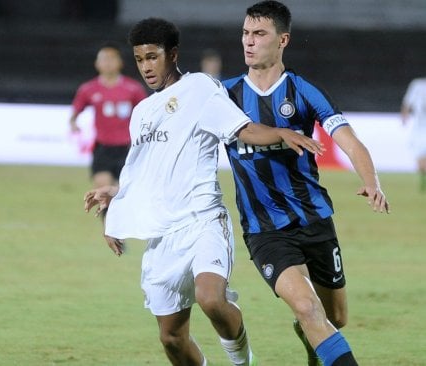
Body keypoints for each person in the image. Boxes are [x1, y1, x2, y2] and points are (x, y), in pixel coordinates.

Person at [84, 17, 324, 366]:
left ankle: (243, 362)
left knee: (211, 298)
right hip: (163, 235)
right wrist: (117, 199)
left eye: (153, 57)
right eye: (139, 59)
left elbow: (241, 128)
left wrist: (279, 133)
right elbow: (147, 172)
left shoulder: (200, 89)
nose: (146, 67)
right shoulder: (142, 113)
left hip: (202, 221)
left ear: (173, 54)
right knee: (171, 337)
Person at [222, 1, 390, 365]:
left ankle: (313, 339)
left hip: (314, 220)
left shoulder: (303, 92)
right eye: (246, 33)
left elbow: (349, 140)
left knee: (335, 318)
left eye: (259, 34)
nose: (248, 42)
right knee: (306, 306)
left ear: (283, 40)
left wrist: (371, 180)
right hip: (264, 229)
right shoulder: (225, 96)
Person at [69, 43, 147, 188]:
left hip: (127, 147)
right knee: (102, 188)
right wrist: (73, 122)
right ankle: (107, 210)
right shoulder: (88, 89)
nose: (108, 63)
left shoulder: (133, 88)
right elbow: (76, 111)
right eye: (104, 59)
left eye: (112, 59)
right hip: (102, 147)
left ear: (120, 63)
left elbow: (147, 112)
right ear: (97, 63)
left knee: (122, 191)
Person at [400, 77, 426, 192]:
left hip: (420, 129)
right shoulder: (417, 85)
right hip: (420, 128)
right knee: (420, 158)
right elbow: (407, 102)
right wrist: (404, 115)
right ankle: (423, 182)